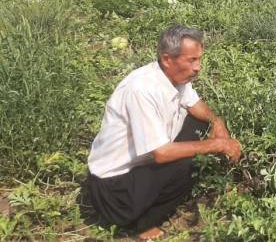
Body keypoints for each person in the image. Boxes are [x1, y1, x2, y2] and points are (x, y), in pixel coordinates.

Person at [87, 25, 241, 240]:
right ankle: (141, 223)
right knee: (189, 163)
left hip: (140, 166)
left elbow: (195, 105)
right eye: (192, 60)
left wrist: (217, 122)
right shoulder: (142, 89)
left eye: (199, 60)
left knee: (201, 125)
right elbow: (161, 153)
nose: (198, 68)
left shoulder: (174, 76)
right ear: (168, 59)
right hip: (114, 191)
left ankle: (151, 200)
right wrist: (217, 145)